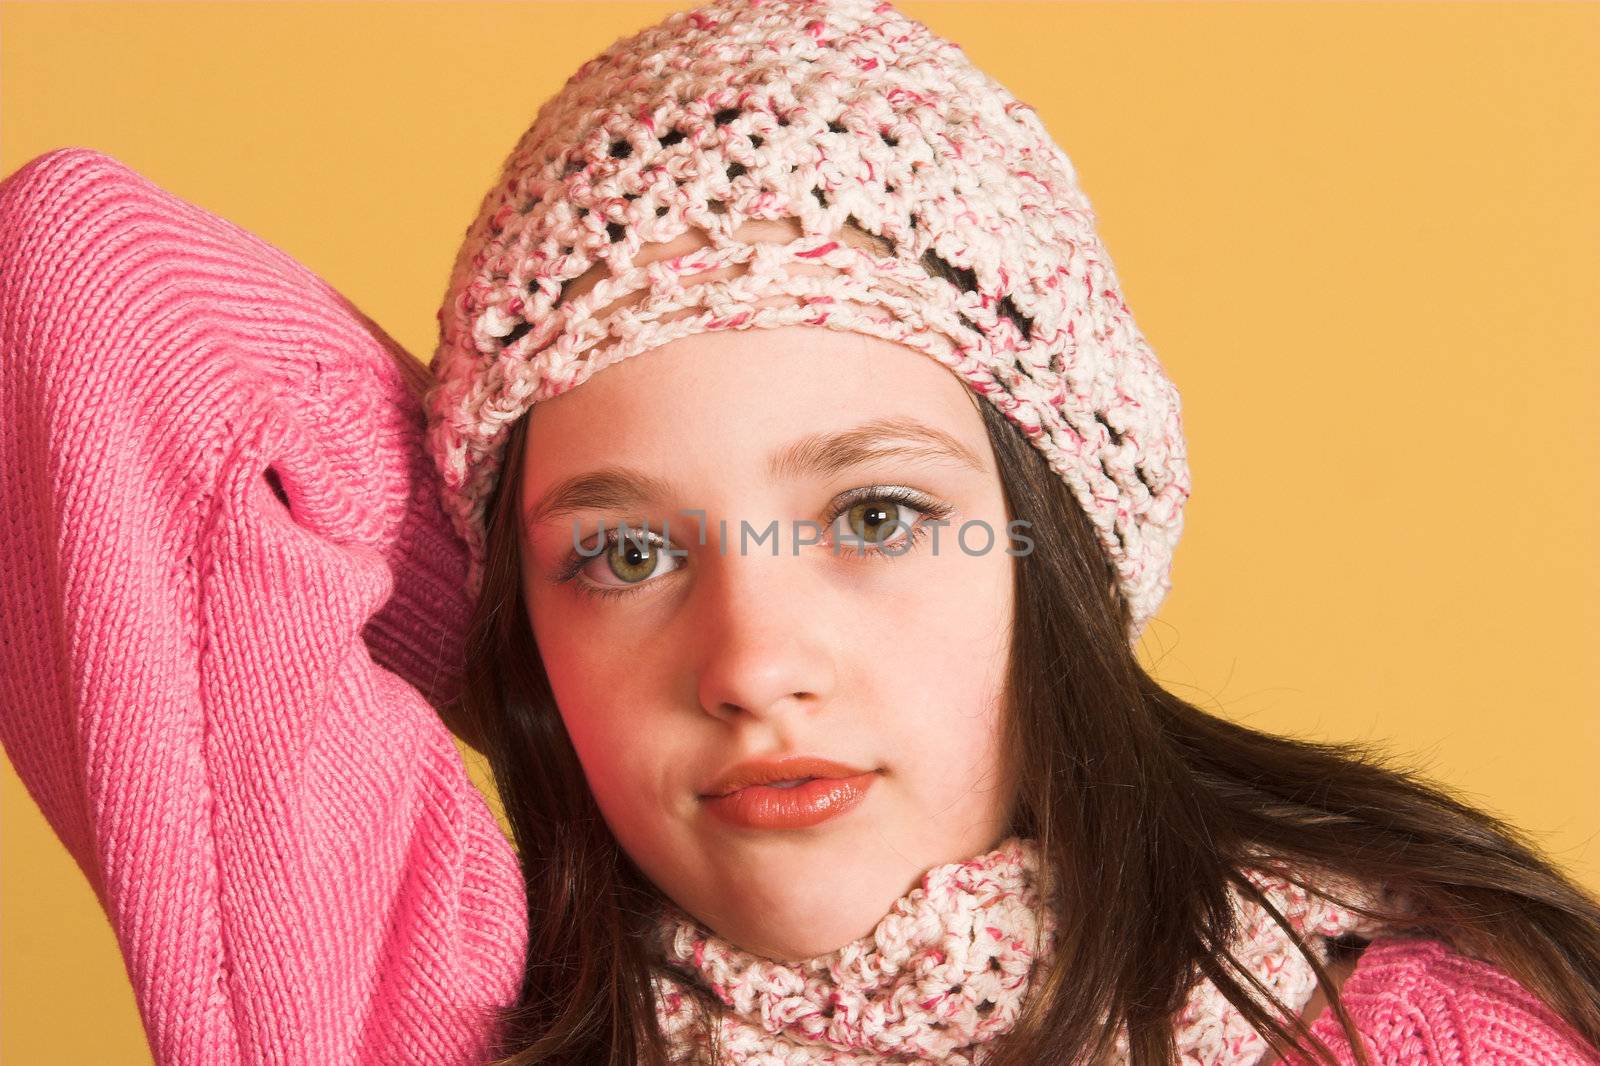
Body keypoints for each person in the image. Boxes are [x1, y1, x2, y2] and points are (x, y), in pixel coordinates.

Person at [1, 3, 1598, 1066]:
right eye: (624, 556)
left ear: (1062, 541)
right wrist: (496, 616)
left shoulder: (1398, 1032)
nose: (752, 661)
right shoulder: (430, 1006)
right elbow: (79, 288)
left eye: (876, 513)